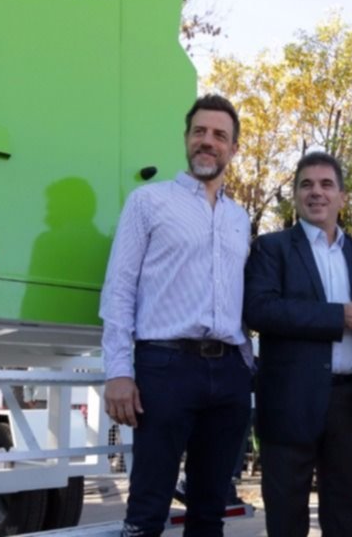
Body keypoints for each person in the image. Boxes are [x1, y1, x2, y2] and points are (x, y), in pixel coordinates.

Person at [100, 93, 253, 537]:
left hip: (228, 373)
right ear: (187, 139)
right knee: (147, 509)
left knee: (209, 512)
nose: (209, 141)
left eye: (220, 135)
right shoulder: (148, 202)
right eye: (200, 132)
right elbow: (119, 289)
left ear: (233, 148)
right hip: (165, 367)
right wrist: (118, 372)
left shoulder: (239, 219)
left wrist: (246, 365)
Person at [244, 151, 352, 537]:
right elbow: (260, 310)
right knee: (286, 516)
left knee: (346, 516)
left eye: (327, 184)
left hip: (346, 402)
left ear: (342, 197)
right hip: (288, 401)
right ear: (295, 195)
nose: (317, 192)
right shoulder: (271, 248)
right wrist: (336, 317)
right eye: (306, 185)